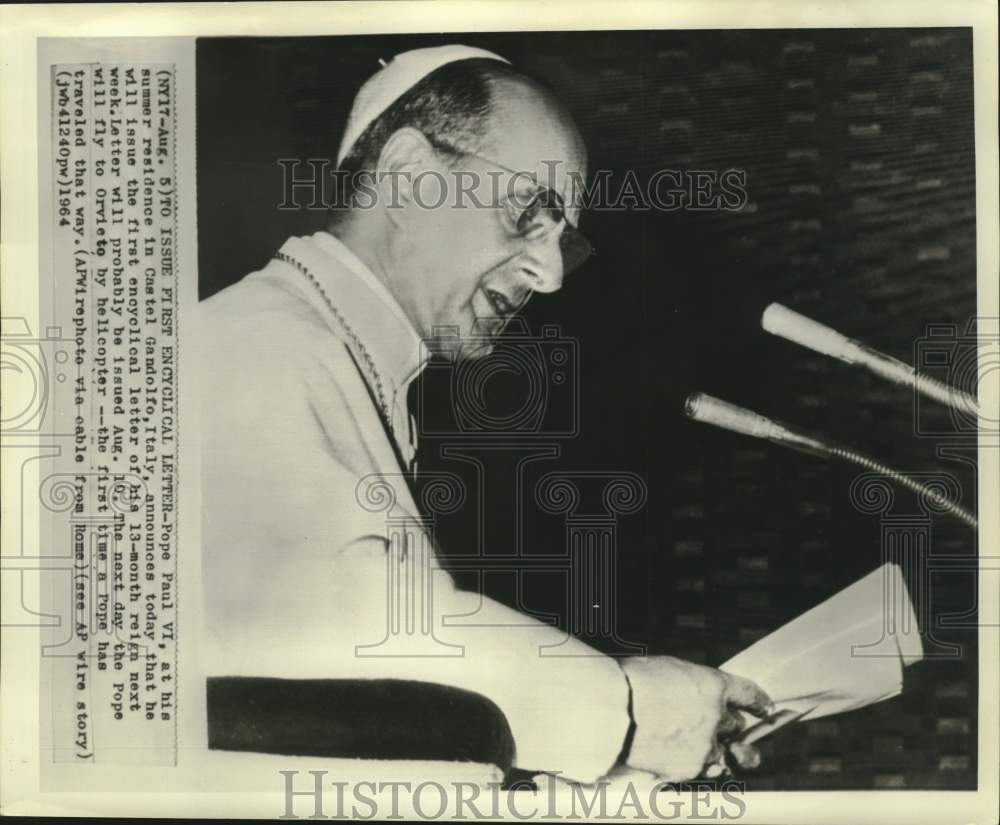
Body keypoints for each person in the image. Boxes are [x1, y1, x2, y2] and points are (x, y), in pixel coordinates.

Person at [199, 44, 772, 784]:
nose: (552, 273)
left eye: (564, 236)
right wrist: (625, 710)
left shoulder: (333, 355)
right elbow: (336, 635)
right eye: (529, 212)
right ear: (409, 177)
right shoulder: (253, 344)